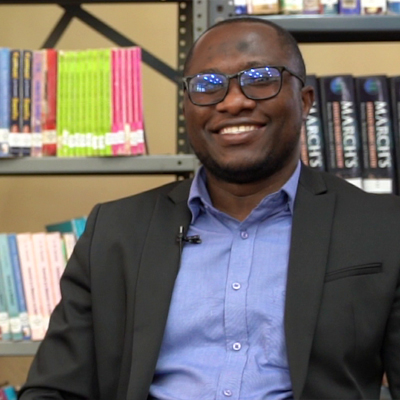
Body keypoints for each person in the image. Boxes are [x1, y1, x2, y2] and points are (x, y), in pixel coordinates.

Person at [19, 16, 400, 400]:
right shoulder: (115, 231)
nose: (233, 102)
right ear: (187, 107)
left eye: (260, 78)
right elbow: (54, 391)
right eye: (207, 85)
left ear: (304, 102)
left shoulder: (383, 228)